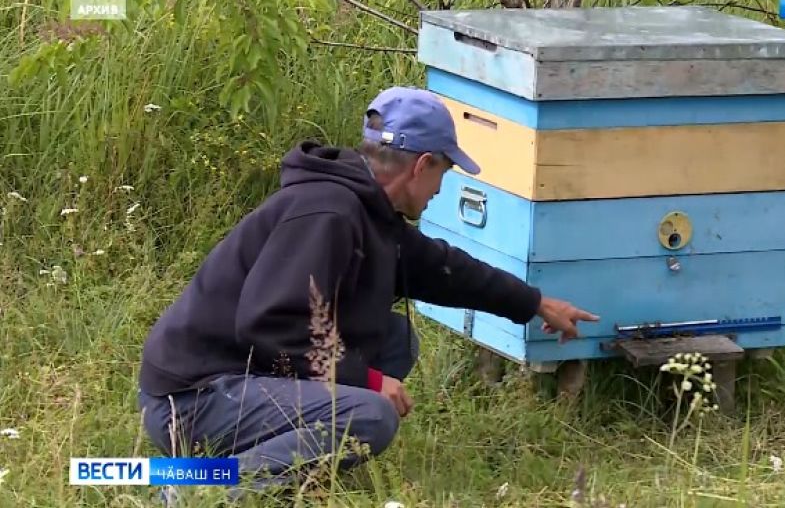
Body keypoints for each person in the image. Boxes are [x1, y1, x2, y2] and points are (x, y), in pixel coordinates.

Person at [136, 86, 599, 490]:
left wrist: (535, 302)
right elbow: (275, 325)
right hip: (194, 400)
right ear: (421, 165)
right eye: (444, 173)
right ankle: (203, 487)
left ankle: (289, 462)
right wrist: (370, 382)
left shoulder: (368, 211)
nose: (441, 189)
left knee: (395, 339)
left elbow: (442, 268)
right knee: (370, 415)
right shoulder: (328, 214)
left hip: (238, 380)